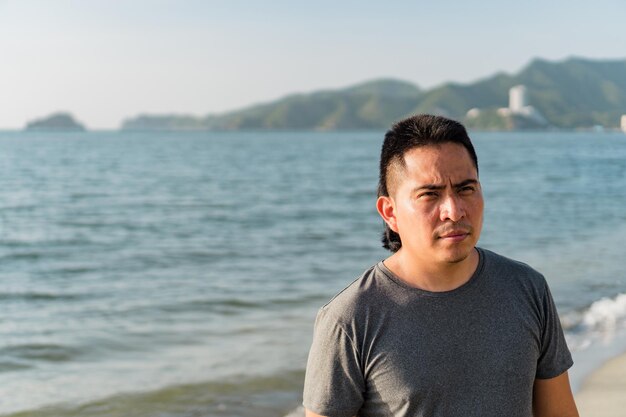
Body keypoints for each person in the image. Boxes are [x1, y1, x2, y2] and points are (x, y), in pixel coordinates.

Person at [302, 114, 579, 417]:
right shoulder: (351, 319)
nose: (454, 210)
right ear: (390, 212)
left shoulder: (528, 289)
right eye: (429, 195)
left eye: (466, 189)